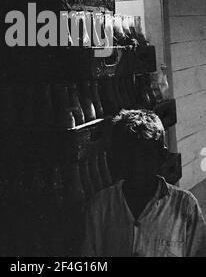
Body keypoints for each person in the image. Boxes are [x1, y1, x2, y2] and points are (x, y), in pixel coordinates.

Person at [81, 109, 206, 257]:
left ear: (162, 157)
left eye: (146, 155)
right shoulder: (100, 208)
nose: (137, 165)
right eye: (129, 155)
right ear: (117, 158)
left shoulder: (185, 206)